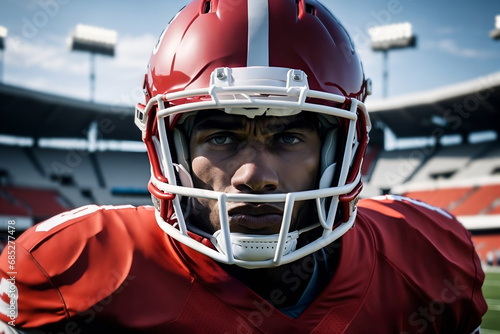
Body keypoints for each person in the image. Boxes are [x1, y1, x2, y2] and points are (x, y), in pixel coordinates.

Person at [0, 0, 487, 333]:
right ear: (166, 145)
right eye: (223, 136)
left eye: (289, 136)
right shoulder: (69, 268)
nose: (254, 176)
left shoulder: (427, 255)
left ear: (343, 148)